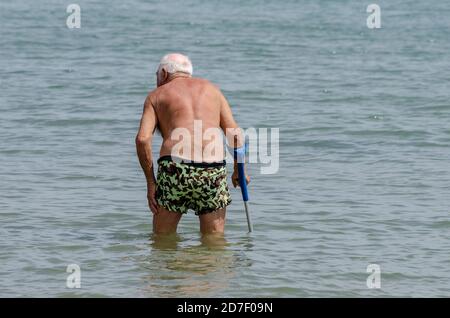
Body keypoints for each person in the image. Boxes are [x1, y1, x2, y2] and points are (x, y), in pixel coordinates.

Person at [136, 53, 250, 235]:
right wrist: (239, 170)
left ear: (164, 73)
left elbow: (142, 140)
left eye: (156, 75)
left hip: (174, 168)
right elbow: (236, 136)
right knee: (214, 243)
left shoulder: (156, 96)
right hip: (212, 170)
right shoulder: (213, 91)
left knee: (162, 239)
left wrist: (151, 183)